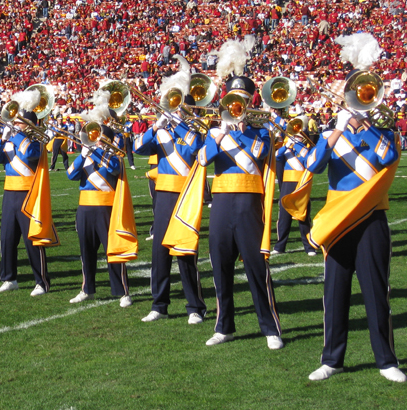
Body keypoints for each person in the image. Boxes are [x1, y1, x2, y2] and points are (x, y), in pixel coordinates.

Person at [293, 83, 404, 382]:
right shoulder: (331, 136)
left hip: (371, 220)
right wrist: (338, 131)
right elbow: (313, 165)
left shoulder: (381, 133)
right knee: (335, 293)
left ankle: (386, 360)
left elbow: (389, 157)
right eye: (355, 96)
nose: (359, 102)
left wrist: (365, 124)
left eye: (364, 96)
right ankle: (332, 360)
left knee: (377, 292)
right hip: (338, 223)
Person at [188, 76, 283, 349]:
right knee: (220, 266)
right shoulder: (215, 131)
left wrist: (234, 132)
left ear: (250, 100)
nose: (237, 103)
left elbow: (258, 154)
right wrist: (219, 134)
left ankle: (270, 328)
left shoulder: (261, 130)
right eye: (233, 97)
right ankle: (224, 326)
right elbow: (203, 159)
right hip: (220, 202)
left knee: (256, 266)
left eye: (242, 98)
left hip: (248, 203)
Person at [135, 96, 207, 323]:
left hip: (186, 194)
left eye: (180, 108)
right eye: (173, 108)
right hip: (164, 194)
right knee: (160, 252)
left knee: (185, 251)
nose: (175, 111)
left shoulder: (193, 130)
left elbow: (196, 147)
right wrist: (156, 126)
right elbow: (138, 148)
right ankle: (159, 305)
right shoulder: (161, 132)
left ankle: (194, 307)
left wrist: (179, 124)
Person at [0, 91, 57, 296]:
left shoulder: (36, 141)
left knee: (31, 239)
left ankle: (42, 281)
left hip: (29, 193)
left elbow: (30, 154)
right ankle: (9, 278)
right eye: (16, 122)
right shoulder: (11, 139)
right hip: (9, 193)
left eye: (20, 122)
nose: (15, 125)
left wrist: (15, 135)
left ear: (30, 124)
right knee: (7, 238)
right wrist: (2, 139)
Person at [67, 120, 134, 307]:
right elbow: (71, 174)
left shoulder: (115, 157)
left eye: (100, 138)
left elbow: (113, 168)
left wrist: (96, 152)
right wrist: (82, 155)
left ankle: (122, 291)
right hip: (85, 208)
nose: (96, 141)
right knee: (86, 251)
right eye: (95, 138)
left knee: (112, 250)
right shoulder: (87, 155)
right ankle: (86, 288)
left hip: (106, 208)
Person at [271, 113, 315, 256]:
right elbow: (277, 155)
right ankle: (280, 246)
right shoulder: (287, 145)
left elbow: (308, 161)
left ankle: (309, 246)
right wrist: (288, 146)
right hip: (288, 182)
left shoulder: (306, 146)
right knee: (284, 215)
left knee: (303, 215)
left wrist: (296, 144)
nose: (296, 135)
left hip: (301, 183)